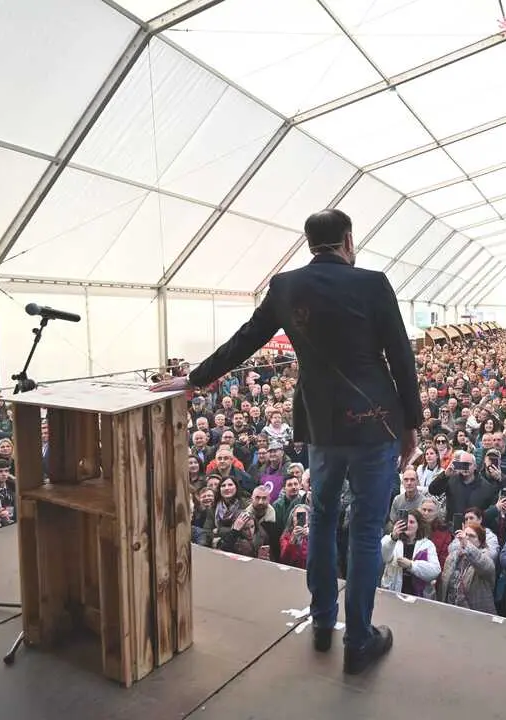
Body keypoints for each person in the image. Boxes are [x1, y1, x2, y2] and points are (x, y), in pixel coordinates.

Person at [151, 209, 420, 675]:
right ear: (348, 241)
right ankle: (358, 640)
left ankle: (322, 623)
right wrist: (411, 422)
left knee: (321, 519)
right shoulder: (373, 283)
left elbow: (244, 341)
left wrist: (195, 379)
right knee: (364, 530)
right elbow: (400, 356)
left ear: (309, 242)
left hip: (322, 426)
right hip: (374, 424)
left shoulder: (285, 286)